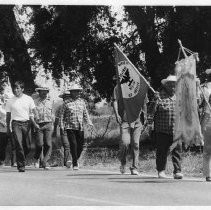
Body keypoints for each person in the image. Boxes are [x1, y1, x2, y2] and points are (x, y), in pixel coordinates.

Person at [149, 75, 183, 179]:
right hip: (162, 130)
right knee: (161, 151)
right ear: (166, 85)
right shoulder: (159, 96)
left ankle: (177, 171)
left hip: (176, 130)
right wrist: (154, 100)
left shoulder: (179, 96)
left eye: (175, 84)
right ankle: (161, 170)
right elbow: (151, 111)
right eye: (170, 84)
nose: (173, 86)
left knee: (177, 151)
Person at [112, 76, 146, 175]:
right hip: (125, 120)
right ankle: (123, 162)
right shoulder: (118, 88)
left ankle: (134, 167)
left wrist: (146, 116)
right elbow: (114, 101)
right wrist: (117, 114)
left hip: (137, 121)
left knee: (136, 144)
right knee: (125, 143)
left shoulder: (140, 87)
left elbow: (144, 102)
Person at [55, 84, 93, 170]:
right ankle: (75, 163)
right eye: (75, 91)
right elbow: (61, 116)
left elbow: (85, 114)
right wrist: (61, 126)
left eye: (78, 91)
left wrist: (89, 123)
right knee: (73, 144)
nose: (78, 93)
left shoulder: (82, 102)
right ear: (71, 92)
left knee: (80, 145)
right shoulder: (66, 103)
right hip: (70, 127)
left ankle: (75, 159)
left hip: (80, 127)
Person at [6, 81, 39, 172]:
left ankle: (21, 157)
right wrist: (8, 128)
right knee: (19, 144)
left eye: (18, 88)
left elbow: (34, 110)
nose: (15, 90)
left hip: (27, 123)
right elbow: (8, 116)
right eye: (14, 88)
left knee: (28, 146)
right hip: (16, 123)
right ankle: (21, 165)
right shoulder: (10, 101)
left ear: (22, 89)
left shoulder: (28, 99)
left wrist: (37, 119)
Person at [33, 85, 54, 170]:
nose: (44, 93)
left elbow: (53, 113)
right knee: (39, 144)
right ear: (39, 92)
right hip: (39, 125)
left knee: (48, 144)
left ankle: (45, 162)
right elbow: (31, 114)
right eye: (42, 91)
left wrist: (52, 123)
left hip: (48, 124)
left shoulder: (51, 101)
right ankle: (36, 157)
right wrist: (34, 124)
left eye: (46, 91)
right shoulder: (35, 102)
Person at [53, 90, 72, 168]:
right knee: (66, 145)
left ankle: (70, 161)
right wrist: (54, 129)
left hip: (73, 128)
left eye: (68, 97)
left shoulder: (74, 106)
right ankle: (67, 161)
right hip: (63, 128)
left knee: (73, 144)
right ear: (63, 98)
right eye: (65, 97)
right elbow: (57, 120)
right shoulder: (59, 107)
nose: (67, 99)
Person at [200, 69, 211, 182]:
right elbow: (198, 103)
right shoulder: (203, 88)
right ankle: (208, 174)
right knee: (208, 148)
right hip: (208, 117)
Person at [0, 86, 16, 167]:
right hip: (2, 130)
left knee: (14, 146)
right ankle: (2, 161)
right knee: (2, 146)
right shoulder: (0, 107)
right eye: (6, 100)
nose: (7, 101)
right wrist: (2, 122)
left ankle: (14, 162)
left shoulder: (14, 107)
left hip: (12, 129)